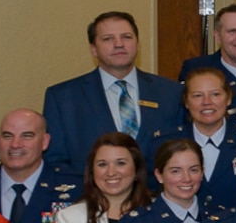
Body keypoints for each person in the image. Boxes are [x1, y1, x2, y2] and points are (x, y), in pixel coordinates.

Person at [42, 12, 184, 169]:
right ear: (94, 49)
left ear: (137, 44)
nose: (119, 44)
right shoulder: (63, 98)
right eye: (108, 39)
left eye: (126, 37)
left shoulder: (171, 92)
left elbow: (182, 153)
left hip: (154, 192)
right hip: (90, 192)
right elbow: (55, 162)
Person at [146, 68, 236, 211]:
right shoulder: (163, 143)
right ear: (186, 101)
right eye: (197, 96)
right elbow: (152, 193)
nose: (207, 102)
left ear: (228, 98)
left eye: (215, 94)